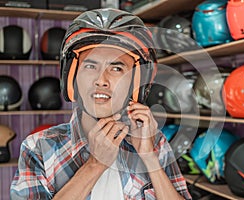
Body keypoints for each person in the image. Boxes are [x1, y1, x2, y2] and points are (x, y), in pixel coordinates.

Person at [10, 8, 192, 200]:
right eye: (90, 66)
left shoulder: (154, 142)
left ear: (135, 83)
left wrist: (149, 157)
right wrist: (95, 164)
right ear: (73, 77)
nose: (101, 80)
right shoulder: (38, 147)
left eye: (116, 67)